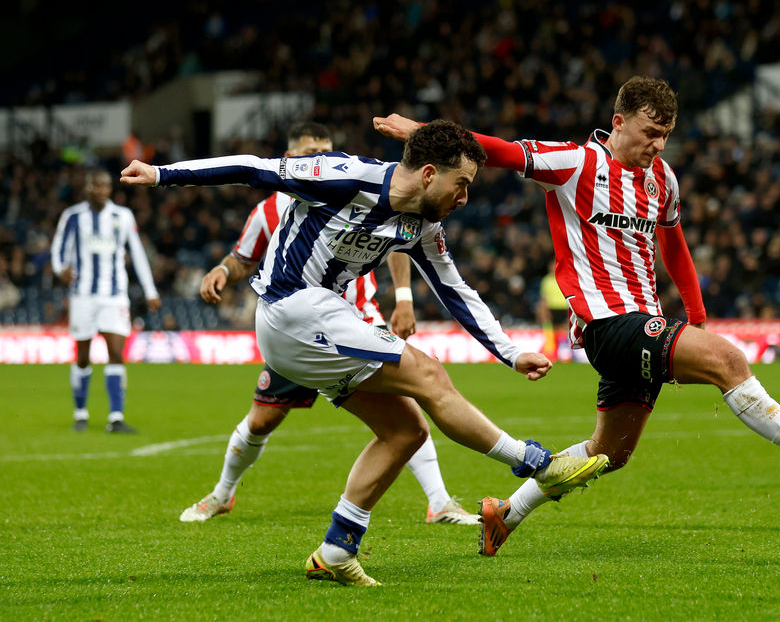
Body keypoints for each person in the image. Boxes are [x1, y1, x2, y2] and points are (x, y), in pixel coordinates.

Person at [373, 76, 780, 557]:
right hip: (605, 323)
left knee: (610, 451)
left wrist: (697, 314)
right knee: (728, 362)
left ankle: (506, 514)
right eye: (651, 132)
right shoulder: (575, 163)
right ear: (619, 122)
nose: (659, 145)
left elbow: (675, 246)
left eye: (666, 134)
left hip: (643, 317)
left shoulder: (661, 178)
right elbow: (501, 152)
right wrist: (423, 133)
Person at [120, 120, 608, 586]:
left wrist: (510, 352)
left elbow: (454, 290)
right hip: (290, 308)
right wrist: (163, 175)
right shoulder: (343, 175)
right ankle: (538, 464)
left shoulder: (422, 225)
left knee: (405, 430)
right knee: (430, 375)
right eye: (461, 185)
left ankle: (337, 550)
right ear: (429, 174)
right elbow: (253, 168)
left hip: (323, 324)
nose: (465, 198)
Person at [180, 122, 478, 527]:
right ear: (289, 159)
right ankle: (222, 495)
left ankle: (439, 501)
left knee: (408, 410)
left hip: (357, 319)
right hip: (297, 326)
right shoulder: (268, 210)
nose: (318, 157)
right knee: (262, 419)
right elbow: (242, 258)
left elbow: (401, 237)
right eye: (308, 151)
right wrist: (221, 270)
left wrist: (404, 298)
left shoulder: (352, 187)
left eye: (325, 148)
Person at [50, 169, 161, 433]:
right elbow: (58, 247)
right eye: (96, 186)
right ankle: (80, 413)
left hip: (114, 295)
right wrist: (60, 268)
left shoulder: (122, 216)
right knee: (83, 356)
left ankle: (116, 417)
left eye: (105, 186)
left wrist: (150, 290)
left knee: (115, 353)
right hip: (83, 295)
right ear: (87, 188)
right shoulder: (73, 216)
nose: (101, 190)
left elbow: (137, 252)